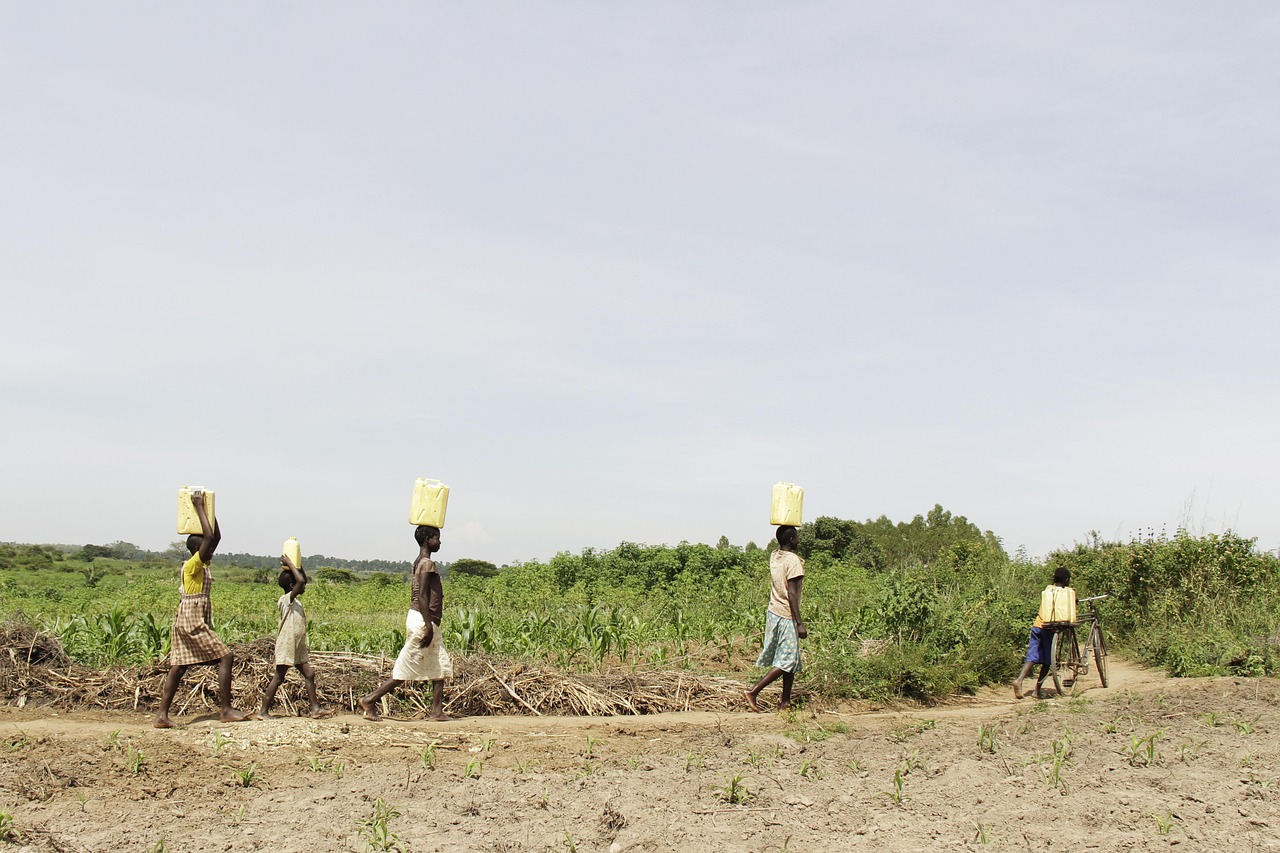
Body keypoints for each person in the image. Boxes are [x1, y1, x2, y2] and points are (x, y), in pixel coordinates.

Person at [154, 491, 250, 728]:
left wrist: (210, 509)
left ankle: (161, 717)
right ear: (199, 550)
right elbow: (208, 536)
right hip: (191, 619)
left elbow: (215, 537)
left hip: (189, 617)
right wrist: (198, 507)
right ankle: (226, 710)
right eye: (207, 549)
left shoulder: (202, 563)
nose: (212, 551)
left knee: (180, 665)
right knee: (226, 656)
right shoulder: (192, 565)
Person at [360, 525, 454, 722]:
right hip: (423, 620)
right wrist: (428, 626)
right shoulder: (427, 563)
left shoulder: (419, 561)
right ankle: (370, 700)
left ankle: (437, 711)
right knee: (406, 667)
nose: (440, 542)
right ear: (428, 539)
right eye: (437, 538)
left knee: (439, 663)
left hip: (424, 619)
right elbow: (422, 597)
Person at [255, 552, 335, 720]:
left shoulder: (295, 600)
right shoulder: (286, 600)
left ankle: (315, 709)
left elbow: (301, 579)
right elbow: (301, 581)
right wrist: (290, 563)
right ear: (292, 586)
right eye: (300, 584)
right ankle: (263, 711)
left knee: (309, 674)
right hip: (287, 644)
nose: (304, 586)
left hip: (297, 645)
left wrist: (298, 564)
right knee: (279, 677)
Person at [744, 525, 808, 712]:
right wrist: (799, 623)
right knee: (787, 660)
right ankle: (753, 691)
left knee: (792, 659)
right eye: (796, 537)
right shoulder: (793, 561)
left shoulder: (775, 555)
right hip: (786, 614)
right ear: (791, 540)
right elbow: (792, 593)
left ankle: (785, 702)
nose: (798, 540)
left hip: (773, 612)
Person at [1014, 566, 1077, 699]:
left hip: (1037, 626)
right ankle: (1037, 690)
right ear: (1067, 580)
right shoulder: (1065, 593)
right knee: (1048, 662)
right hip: (1049, 630)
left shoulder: (1048, 590)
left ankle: (1019, 680)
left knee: (1032, 656)